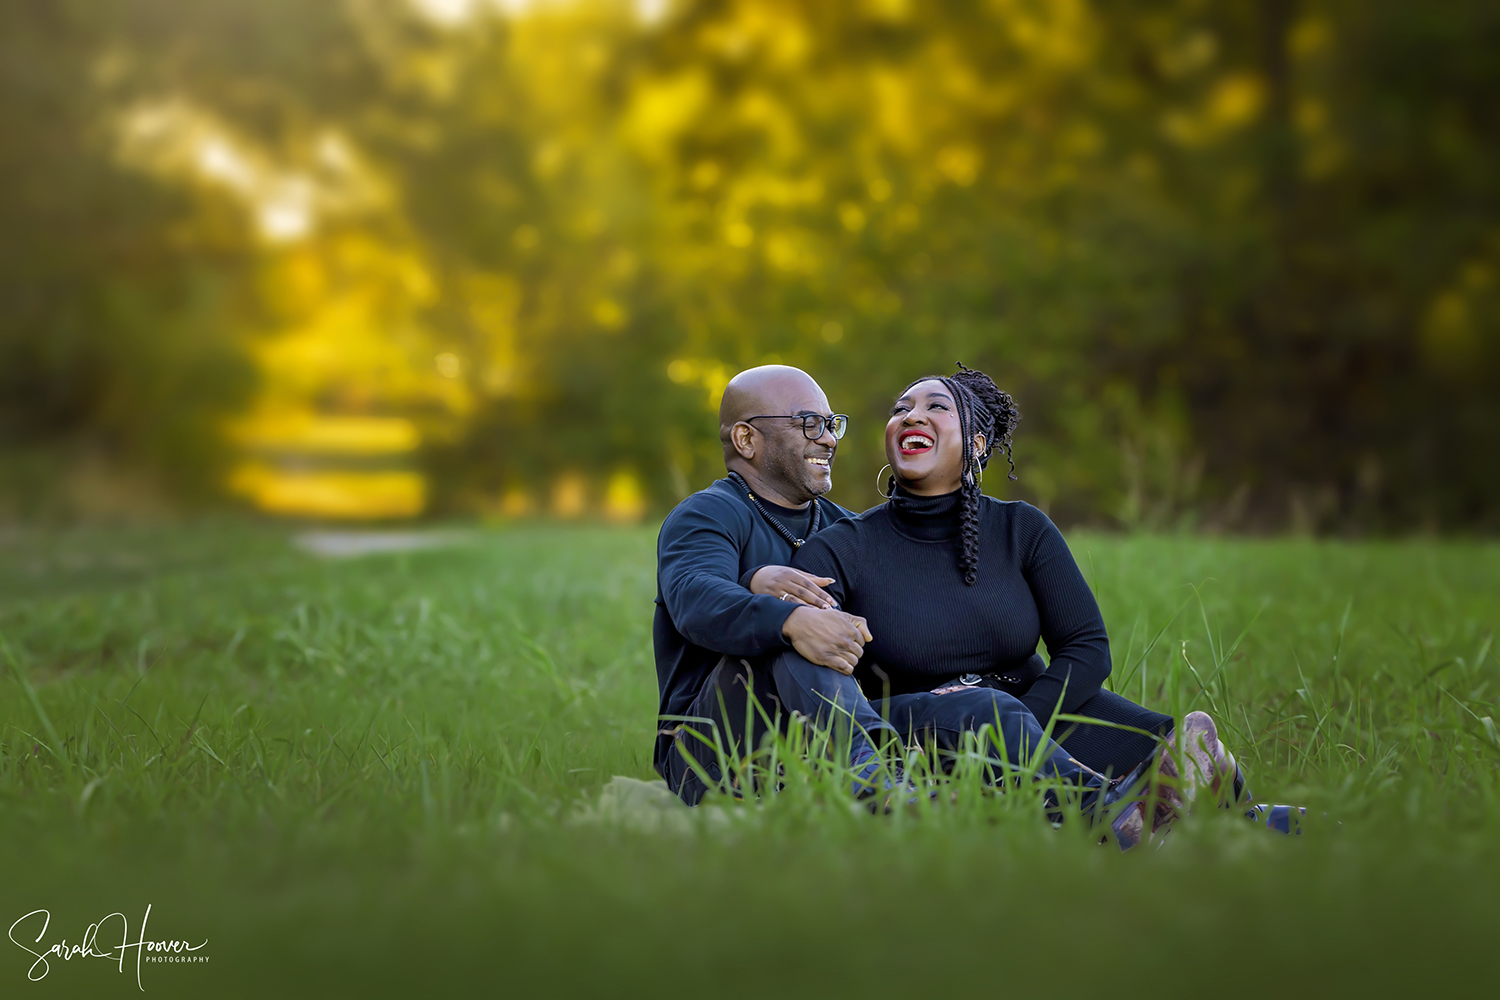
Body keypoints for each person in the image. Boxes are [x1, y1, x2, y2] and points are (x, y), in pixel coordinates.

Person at [775, 364, 1251, 840]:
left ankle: (1284, 831)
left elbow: (1085, 646)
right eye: (901, 410)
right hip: (920, 731)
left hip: (1033, 710)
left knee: (1184, 761)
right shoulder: (841, 548)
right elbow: (819, 672)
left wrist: (1031, 723)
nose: (911, 417)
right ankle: (1111, 822)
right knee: (1021, 734)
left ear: (978, 445)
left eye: (935, 408)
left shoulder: (1021, 528)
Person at [652, 365, 872, 806]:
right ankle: (872, 782)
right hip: (710, 753)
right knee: (799, 639)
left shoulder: (848, 528)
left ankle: (1044, 796)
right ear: (746, 439)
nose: (828, 439)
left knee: (974, 706)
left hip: (833, 727)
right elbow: (697, 598)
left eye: (831, 425)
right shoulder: (706, 515)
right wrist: (792, 620)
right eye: (808, 423)